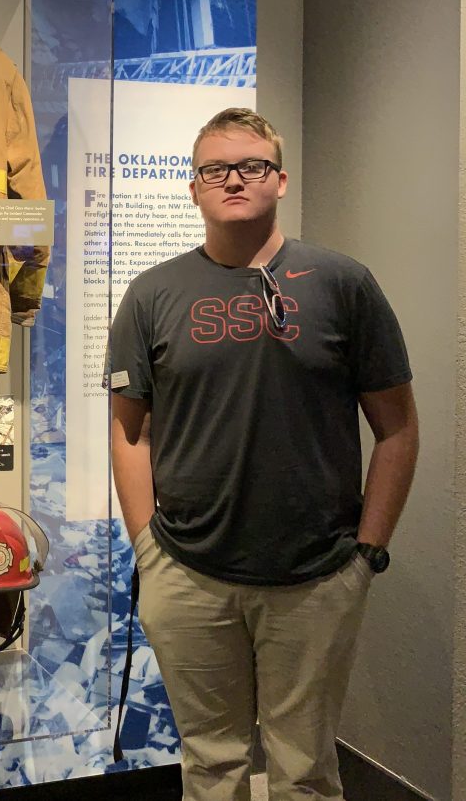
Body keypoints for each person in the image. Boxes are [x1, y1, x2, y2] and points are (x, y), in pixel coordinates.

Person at [108, 109, 418, 801]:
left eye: (251, 165)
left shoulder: (343, 285)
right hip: (187, 573)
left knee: (304, 769)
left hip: (316, 575)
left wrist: (365, 555)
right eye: (215, 168)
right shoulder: (152, 296)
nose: (234, 180)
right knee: (210, 767)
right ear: (193, 188)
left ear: (280, 179)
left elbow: (397, 429)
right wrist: (147, 550)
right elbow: (130, 432)